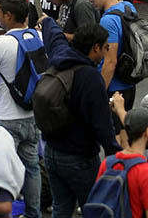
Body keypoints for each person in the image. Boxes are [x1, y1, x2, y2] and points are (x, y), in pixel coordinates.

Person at [40, 16, 119, 218]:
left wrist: (48, 22)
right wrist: (116, 153)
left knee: (61, 207)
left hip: (51, 151)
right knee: (93, 208)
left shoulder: (60, 57)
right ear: (95, 48)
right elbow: (101, 125)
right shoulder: (91, 78)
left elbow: (55, 38)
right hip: (79, 157)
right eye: (105, 48)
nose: (106, 52)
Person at [0, 0, 42, 218]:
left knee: (1, 171)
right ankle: (34, 213)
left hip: (6, 118)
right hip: (33, 114)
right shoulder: (39, 36)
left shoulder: (2, 42)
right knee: (32, 168)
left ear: (9, 15)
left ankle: (1, 212)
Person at [85, 0, 139, 110]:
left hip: (114, 89)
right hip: (130, 83)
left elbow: (110, 62)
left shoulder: (107, 21)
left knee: (111, 131)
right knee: (124, 129)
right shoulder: (128, 6)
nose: (90, 0)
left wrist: (99, 94)